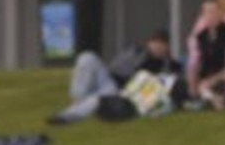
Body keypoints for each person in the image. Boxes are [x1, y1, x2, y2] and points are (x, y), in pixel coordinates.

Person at [48, 30, 182, 125]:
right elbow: (116, 66)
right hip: (109, 81)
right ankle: (76, 102)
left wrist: (166, 61)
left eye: (162, 44)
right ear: (149, 42)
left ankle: (67, 116)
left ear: (167, 47)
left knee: (95, 100)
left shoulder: (168, 65)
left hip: (121, 94)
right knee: (87, 57)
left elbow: (171, 81)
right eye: (155, 42)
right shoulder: (136, 51)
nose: (157, 47)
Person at [189, 0, 225, 109]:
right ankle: (208, 99)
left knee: (212, 86)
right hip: (205, 77)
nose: (211, 15)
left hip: (224, 76)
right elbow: (195, 63)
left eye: (214, 11)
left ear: (221, 13)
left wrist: (212, 80)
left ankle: (211, 99)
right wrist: (193, 82)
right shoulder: (200, 36)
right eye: (207, 12)